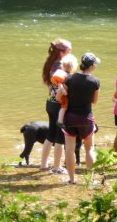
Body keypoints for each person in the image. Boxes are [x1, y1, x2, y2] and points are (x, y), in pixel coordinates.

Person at [63, 53, 101, 184]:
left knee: (69, 149)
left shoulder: (70, 78)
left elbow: (63, 95)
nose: (96, 65)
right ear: (91, 66)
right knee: (89, 148)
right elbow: (95, 101)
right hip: (86, 117)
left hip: (70, 117)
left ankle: (72, 179)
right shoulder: (95, 81)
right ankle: (90, 180)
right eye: (95, 63)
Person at [40, 38, 71, 174]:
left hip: (50, 102)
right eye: (70, 50)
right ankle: (57, 166)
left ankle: (43, 164)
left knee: (51, 134)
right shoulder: (60, 66)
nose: (71, 53)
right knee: (59, 136)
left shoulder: (51, 64)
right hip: (59, 104)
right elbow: (62, 88)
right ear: (62, 52)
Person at [53, 54, 79, 129]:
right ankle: (60, 121)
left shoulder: (66, 74)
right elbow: (60, 84)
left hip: (61, 95)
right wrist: (63, 90)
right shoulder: (65, 75)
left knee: (64, 107)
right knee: (64, 107)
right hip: (63, 96)